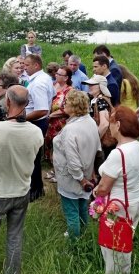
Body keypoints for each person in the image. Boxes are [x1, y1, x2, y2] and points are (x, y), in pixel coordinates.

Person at [0, 85, 44, 274]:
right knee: (15, 236)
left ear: (7, 102)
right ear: (27, 104)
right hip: (21, 191)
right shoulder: (36, 132)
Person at [95, 106, 139, 274]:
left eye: (111, 122)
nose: (109, 126)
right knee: (125, 243)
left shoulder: (118, 153)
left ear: (117, 125)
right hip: (136, 199)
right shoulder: (138, 146)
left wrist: (96, 193)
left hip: (119, 206)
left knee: (113, 251)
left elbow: (104, 188)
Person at [53, 90, 100, 240]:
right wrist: (91, 173)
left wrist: (81, 179)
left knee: (71, 211)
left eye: (66, 102)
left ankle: (74, 243)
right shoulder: (90, 121)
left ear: (74, 107)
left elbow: (72, 160)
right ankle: (84, 234)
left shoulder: (70, 129)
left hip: (72, 177)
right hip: (87, 171)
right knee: (82, 206)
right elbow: (97, 148)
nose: (63, 104)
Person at [24, 54, 55, 201]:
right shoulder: (45, 78)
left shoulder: (38, 83)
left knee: (32, 158)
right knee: (33, 157)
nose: (25, 67)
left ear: (36, 65)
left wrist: (22, 118)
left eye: (27, 65)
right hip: (39, 121)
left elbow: (42, 109)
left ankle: (35, 190)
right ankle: (37, 188)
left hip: (36, 122)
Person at [82, 75, 114, 174]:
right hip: (99, 141)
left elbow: (104, 124)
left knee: (101, 170)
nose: (89, 86)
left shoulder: (101, 100)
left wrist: (94, 141)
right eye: (88, 84)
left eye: (92, 84)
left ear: (101, 86)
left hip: (102, 143)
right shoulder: (95, 99)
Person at [44, 66, 73, 176]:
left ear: (66, 78)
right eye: (56, 73)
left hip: (61, 123)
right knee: (50, 145)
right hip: (50, 123)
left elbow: (67, 109)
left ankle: (59, 172)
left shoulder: (69, 91)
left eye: (59, 74)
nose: (56, 75)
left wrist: (51, 114)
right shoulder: (53, 86)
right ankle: (53, 168)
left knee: (59, 148)